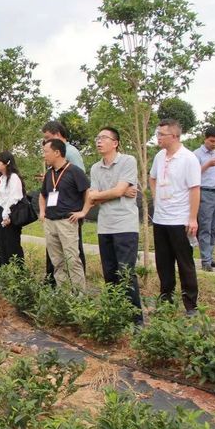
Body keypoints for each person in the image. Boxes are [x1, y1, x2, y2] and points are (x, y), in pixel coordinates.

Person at [70, 127, 143, 324]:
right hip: (105, 226)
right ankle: (115, 315)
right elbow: (93, 197)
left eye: (103, 138)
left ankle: (135, 319)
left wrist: (110, 193)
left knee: (126, 272)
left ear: (115, 143)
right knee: (110, 273)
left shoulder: (128, 161)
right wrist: (113, 192)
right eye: (97, 137)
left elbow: (114, 192)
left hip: (125, 225)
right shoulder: (95, 168)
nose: (99, 141)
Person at [149, 118, 201, 315]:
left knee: (185, 263)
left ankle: (191, 305)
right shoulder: (159, 157)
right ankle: (166, 300)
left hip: (180, 219)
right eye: (158, 134)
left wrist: (192, 218)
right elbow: (152, 178)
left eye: (162, 135)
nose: (158, 138)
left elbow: (195, 189)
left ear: (175, 136)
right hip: (161, 219)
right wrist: (156, 198)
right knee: (163, 262)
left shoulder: (188, 158)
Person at [39, 139, 89, 290]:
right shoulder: (49, 174)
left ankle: (80, 297)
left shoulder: (74, 171)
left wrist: (84, 212)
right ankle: (64, 294)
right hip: (50, 222)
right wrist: (42, 212)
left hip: (67, 222)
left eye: (46, 152)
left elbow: (88, 192)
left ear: (57, 152)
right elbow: (43, 195)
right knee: (57, 261)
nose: (44, 156)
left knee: (72, 260)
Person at [194, 126, 215, 271]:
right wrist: (207, 164)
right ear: (205, 139)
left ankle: (210, 257)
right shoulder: (196, 155)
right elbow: (193, 174)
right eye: (212, 141)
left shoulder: (214, 153)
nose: (214, 144)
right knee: (205, 227)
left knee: (214, 227)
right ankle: (205, 260)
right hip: (204, 192)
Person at [0, 151, 25, 265]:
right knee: (3, 243)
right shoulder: (2, 178)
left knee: (12, 243)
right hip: (0, 211)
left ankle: (17, 271)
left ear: (6, 163)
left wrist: (6, 214)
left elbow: (15, 197)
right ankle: (6, 268)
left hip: (10, 214)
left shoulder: (13, 177)